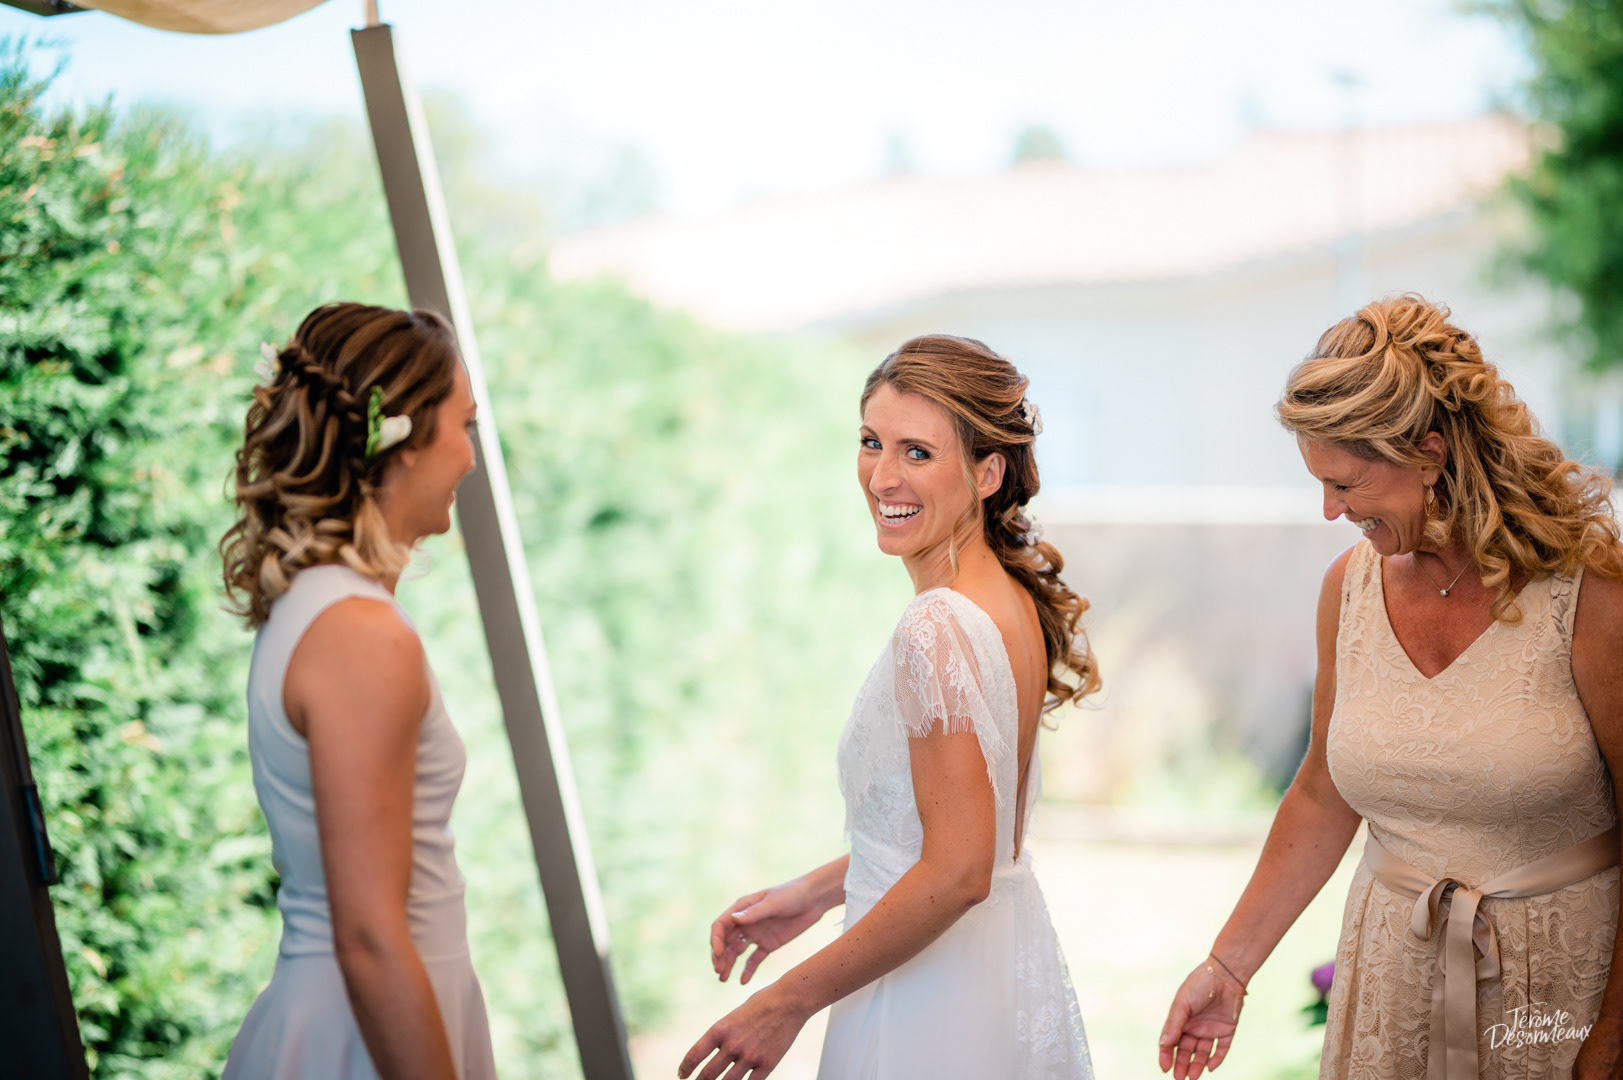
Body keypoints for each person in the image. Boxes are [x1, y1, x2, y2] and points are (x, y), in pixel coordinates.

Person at [1157, 294, 1623, 1080]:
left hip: (1557, 993)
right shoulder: (1346, 589)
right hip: (1390, 986)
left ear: (1428, 454)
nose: (1328, 510)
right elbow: (1320, 794)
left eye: (1343, 484)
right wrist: (1228, 968)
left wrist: (1610, 1037)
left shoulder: (1588, 592)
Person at [680, 335, 1096, 1080]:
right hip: (993, 970)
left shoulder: (936, 626)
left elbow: (959, 870)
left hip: (927, 998)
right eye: (872, 442)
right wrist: (814, 893)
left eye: (917, 453)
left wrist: (783, 1002)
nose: (881, 476)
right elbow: (969, 828)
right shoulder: (1005, 599)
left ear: (987, 472)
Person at [218, 302, 496, 1080]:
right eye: (463, 426)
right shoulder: (359, 634)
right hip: (363, 1036)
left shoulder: (319, 604)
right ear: (403, 441)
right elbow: (370, 937)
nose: (470, 458)